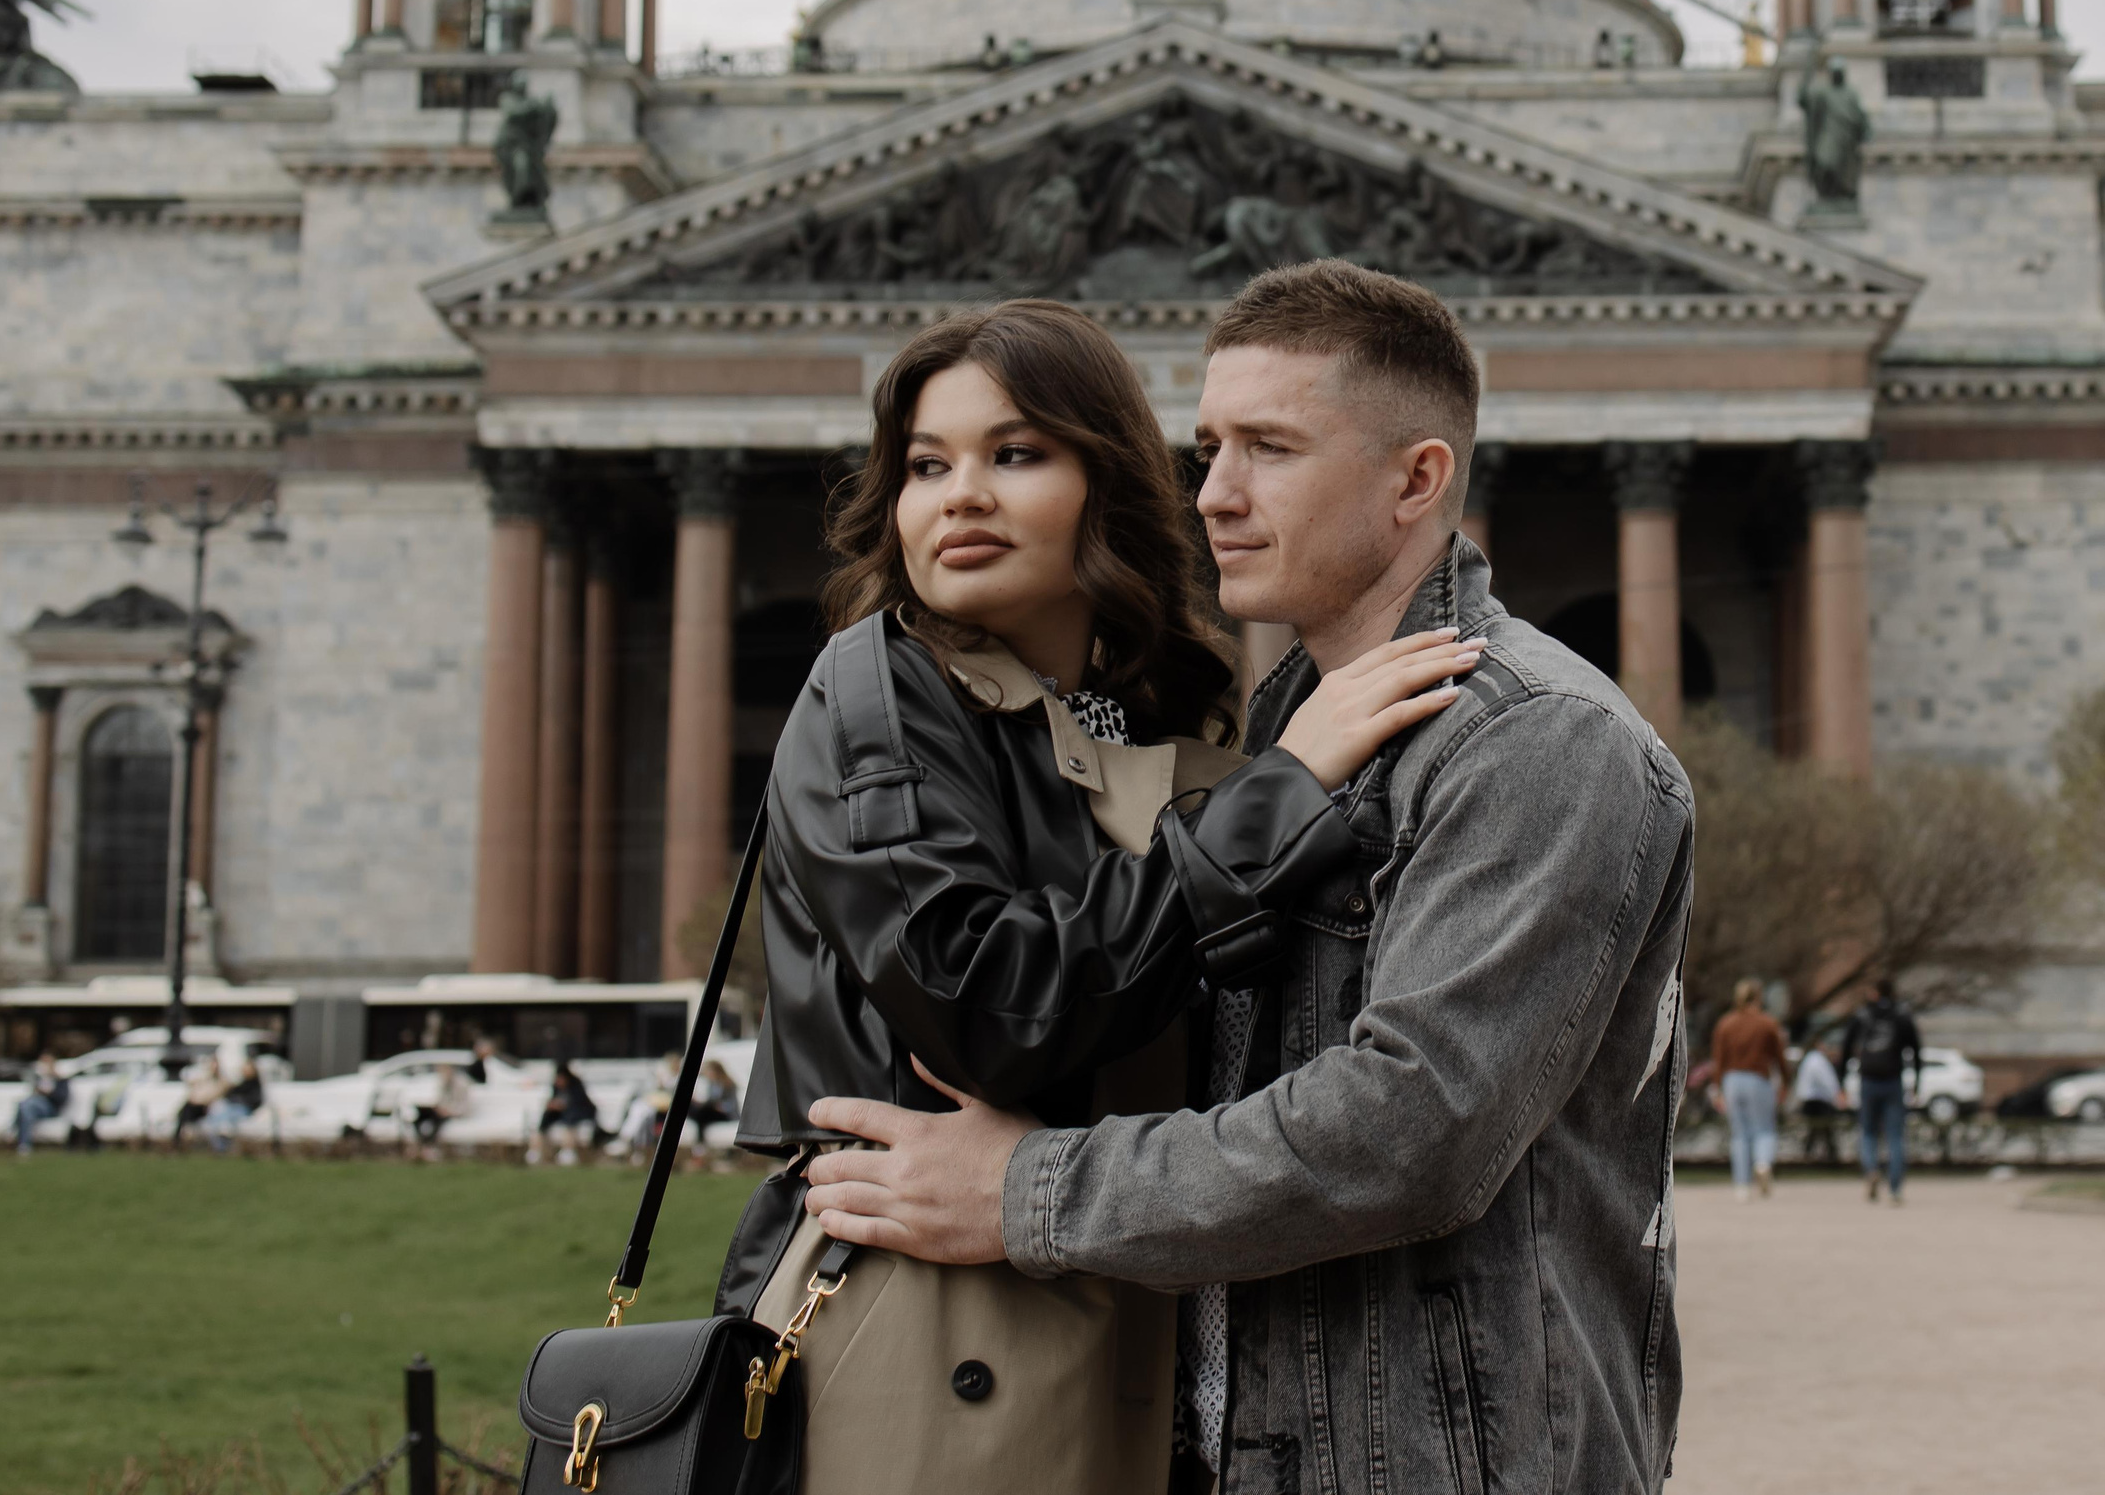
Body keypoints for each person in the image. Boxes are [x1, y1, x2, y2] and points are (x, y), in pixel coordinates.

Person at [801, 259, 1696, 1495]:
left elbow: (1408, 1131)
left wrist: (1025, 1191)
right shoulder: (1279, 729)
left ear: (1416, 479)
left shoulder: (1537, 737)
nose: (1210, 495)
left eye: (1268, 449)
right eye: (1207, 446)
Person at [724, 297, 1475, 1495]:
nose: (960, 494)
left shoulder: (1181, 713)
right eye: (925, 465)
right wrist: (1280, 793)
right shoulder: (873, 691)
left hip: (1145, 1297)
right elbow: (984, 1004)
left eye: (1014, 454)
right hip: (931, 1322)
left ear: (1107, 481)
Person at [1839, 978, 1923, 1204]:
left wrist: (1841, 1082)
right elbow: (1915, 1049)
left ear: (1874, 992)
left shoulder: (1862, 1015)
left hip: (1869, 1080)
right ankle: (1895, 1188)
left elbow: (1846, 1047)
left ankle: (1872, 1170)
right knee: (1895, 1135)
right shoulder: (1901, 1015)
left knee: (1868, 1133)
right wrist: (1917, 1082)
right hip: (1893, 1080)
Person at [1709, 977, 1789, 1197]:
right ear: (1759, 997)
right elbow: (1779, 1057)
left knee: (1739, 1134)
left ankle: (1741, 1185)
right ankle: (1762, 1163)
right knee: (1764, 1128)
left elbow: (1719, 1059)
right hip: (1758, 1079)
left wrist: (1716, 1088)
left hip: (1732, 1080)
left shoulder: (1725, 1024)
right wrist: (1785, 1082)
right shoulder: (1767, 1023)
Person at [1794, 1032, 1845, 1165]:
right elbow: (1826, 1081)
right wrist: (1837, 1096)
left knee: (1818, 1129)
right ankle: (1831, 1155)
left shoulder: (1810, 1059)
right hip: (1817, 1100)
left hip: (1812, 1099)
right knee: (1823, 1127)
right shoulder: (1817, 1059)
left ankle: (1814, 1153)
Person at [203, 1047, 267, 1154]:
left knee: (226, 1116)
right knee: (215, 1118)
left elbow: (255, 1100)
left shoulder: (255, 1085)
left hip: (244, 1109)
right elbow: (229, 1095)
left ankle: (223, 1137)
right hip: (231, 1108)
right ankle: (220, 1146)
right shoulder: (240, 1083)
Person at [540, 1061, 598, 1165]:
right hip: (563, 1119)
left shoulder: (576, 1088)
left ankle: (568, 1152)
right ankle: (540, 1153)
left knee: (569, 1125)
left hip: (577, 1119)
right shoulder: (556, 1088)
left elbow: (579, 1107)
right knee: (545, 1120)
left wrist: (563, 1106)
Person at [407, 1061, 470, 1151]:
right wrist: (438, 1108)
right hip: (441, 1111)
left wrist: (449, 1111)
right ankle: (421, 1142)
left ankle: (428, 1145)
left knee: (437, 1120)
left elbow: (464, 1106)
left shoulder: (461, 1085)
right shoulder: (443, 1083)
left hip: (453, 1113)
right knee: (420, 1116)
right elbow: (440, 1100)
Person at [14, 1055, 69, 1156]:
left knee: (26, 1106)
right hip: (35, 1107)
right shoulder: (39, 1079)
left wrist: (49, 1093)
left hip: (51, 1108)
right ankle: (24, 1145)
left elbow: (62, 1099)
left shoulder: (61, 1080)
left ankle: (20, 1139)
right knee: (25, 1106)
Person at [686, 1057, 738, 1149]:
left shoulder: (728, 1084)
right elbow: (710, 1101)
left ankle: (700, 1143)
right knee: (695, 1109)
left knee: (702, 1113)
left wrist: (721, 1106)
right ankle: (700, 1141)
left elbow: (732, 1105)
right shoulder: (712, 1084)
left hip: (725, 1113)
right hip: (711, 1111)